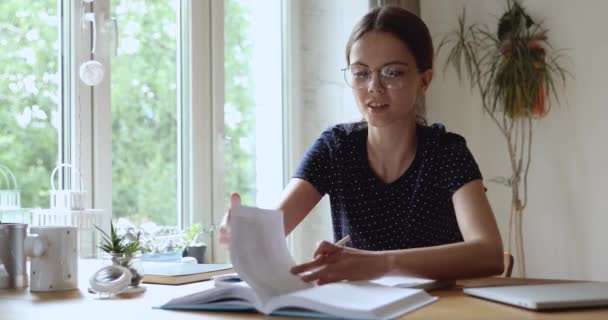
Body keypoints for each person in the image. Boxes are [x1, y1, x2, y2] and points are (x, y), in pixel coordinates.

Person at [220, 5, 503, 285]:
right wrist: (244, 230)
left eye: (393, 73)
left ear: (424, 80)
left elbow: (489, 254)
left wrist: (381, 263)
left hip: (437, 309)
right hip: (358, 309)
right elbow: (273, 226)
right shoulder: (336, 147)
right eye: (361, 73)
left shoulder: (447, 152)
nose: (374, 87)